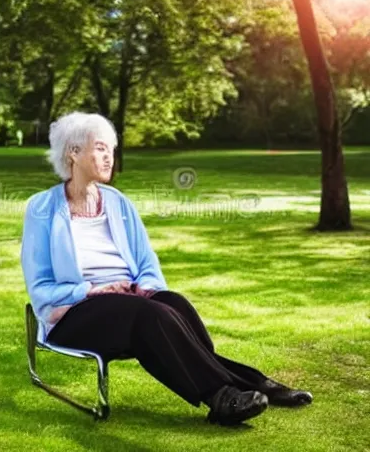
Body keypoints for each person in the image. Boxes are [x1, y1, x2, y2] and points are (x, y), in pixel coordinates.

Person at [20, 111, 313, 426]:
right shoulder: (42, 208)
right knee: (150, 315)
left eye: (112, 150)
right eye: (101, 148)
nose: (110, 158)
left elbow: (146, 263)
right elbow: (40, 289)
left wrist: (145, 287)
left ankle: (247, 384)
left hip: (126, 304)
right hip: (74, 313)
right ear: (73, 153)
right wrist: (92, 289)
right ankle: (223, 396)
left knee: (173, 303)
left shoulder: (117, 203)